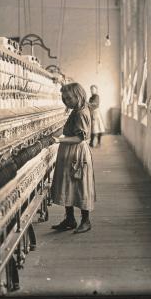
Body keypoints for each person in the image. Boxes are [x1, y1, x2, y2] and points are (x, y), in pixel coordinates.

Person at [50, 83, 96, 233]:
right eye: (64, 99)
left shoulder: (81, 113)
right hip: (70, 152)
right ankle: (70, 219)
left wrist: (59, 140)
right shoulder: (77, 110)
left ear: (78, 95)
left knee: (80, 185)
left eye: (69, 98)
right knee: (68, 184)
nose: (66, 101)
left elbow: (79, 138)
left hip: (77, 152)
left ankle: (86, 221)